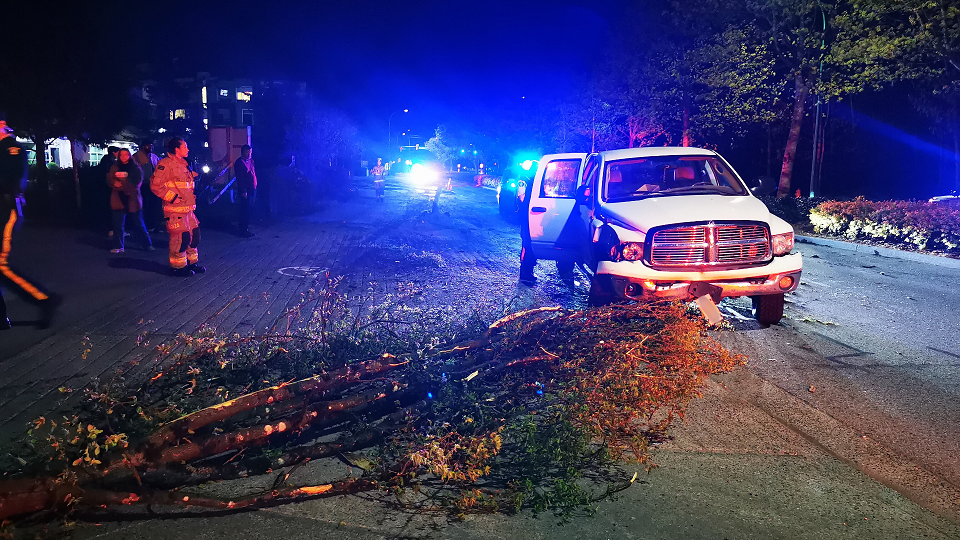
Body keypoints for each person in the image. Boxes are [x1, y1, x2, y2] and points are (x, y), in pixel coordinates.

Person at [0, 112, 60, 329]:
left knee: (1, 265)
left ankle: (44, 299)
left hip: (5, 210)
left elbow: (13, 182)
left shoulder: (11, 149)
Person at [151, 137, 205, 277]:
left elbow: (188, 185)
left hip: (188, 209)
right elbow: (156, 186)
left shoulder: (184, 164)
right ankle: (177, 267)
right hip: (175, 210)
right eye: (185, 147)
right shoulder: (166, 164)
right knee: (181, 239)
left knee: (194, 236)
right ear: (176, 149)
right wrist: (173, 198)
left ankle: (191, 263)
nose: (188, 149)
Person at [107, 148, 154, 253]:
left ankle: (147, 244)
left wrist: (120, 185)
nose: (124, 157)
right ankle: (119, 246)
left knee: (138, 223)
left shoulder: (135, 168)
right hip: (118, 199)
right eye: (121, 155)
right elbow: (110, 179)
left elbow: (136, 183)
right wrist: (114, 183)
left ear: (129, 155)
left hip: (133, 200)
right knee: (118, 225)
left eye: (126, 155)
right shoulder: (115, 167)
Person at [134, 141, 163, 231]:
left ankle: (153, 224)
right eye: (148, 145)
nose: (150, 147)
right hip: (143, 184)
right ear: (143, 146)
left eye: (151, 146)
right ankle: (145, 225)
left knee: (153, 205)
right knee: (145, 205)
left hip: (153, 184)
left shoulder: (154, 156)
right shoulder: (137, 156)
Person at [233, 144, 257, 237]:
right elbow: (240, 178)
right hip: (246, 189)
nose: (249, 154)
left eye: (250, 152)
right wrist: (243, 191)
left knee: (249, 209)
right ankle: (243, 230)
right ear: (243, 152)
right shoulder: (239, 163)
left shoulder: (251, 161)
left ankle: (246, 228)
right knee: (245, 210)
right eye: (248, 152)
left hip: (252, 188)